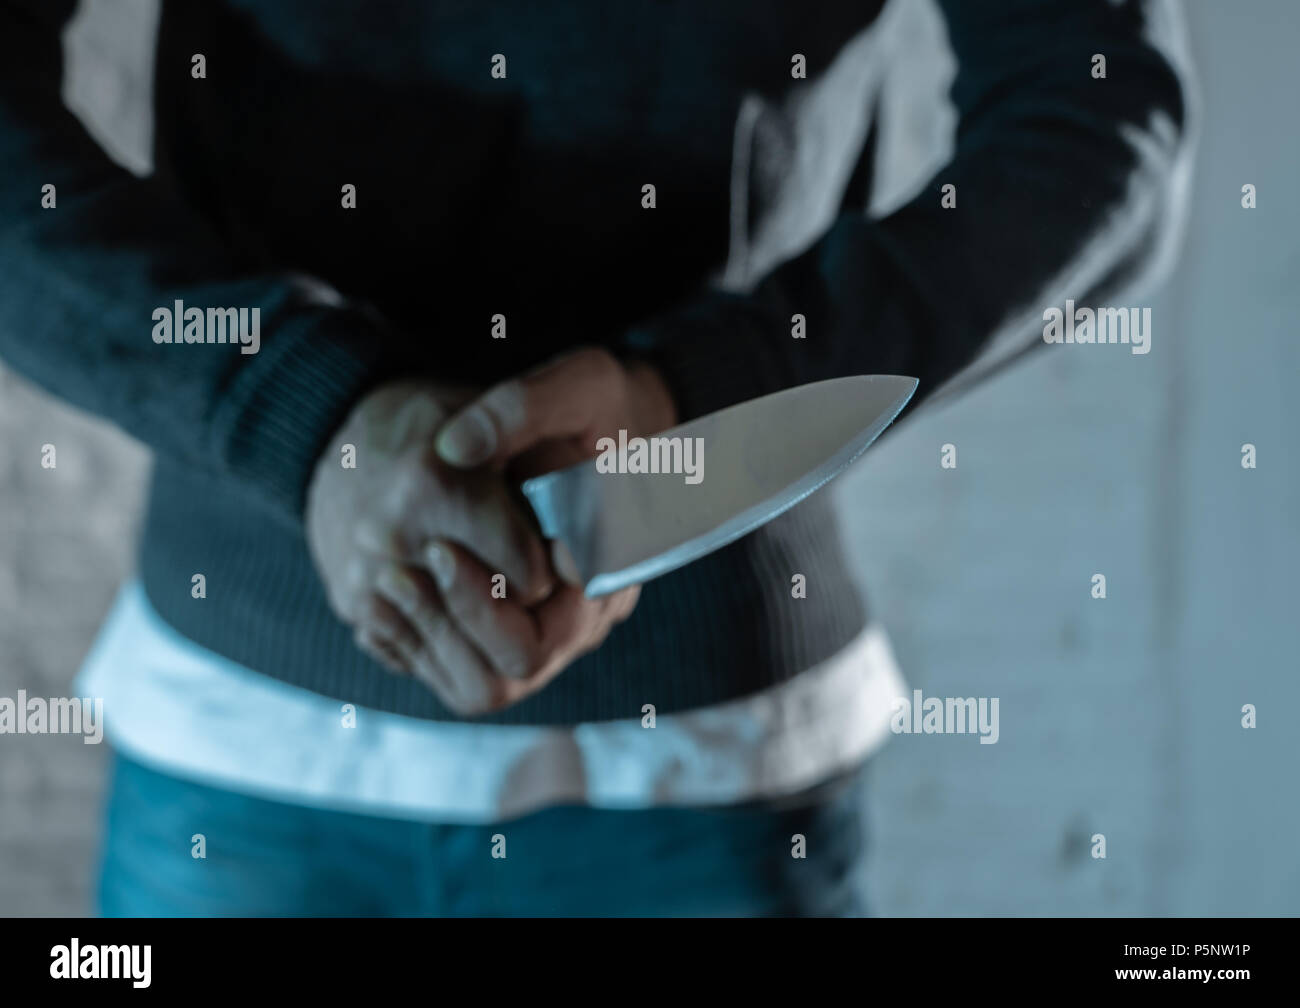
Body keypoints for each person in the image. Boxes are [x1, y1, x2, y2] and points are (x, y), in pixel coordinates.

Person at [0, 0, 1193, 916]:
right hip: (237, 742)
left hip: (706, 767)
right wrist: (302, 410)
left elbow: (1098, 129)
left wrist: (688, 406)